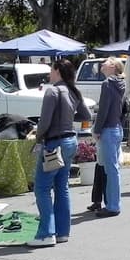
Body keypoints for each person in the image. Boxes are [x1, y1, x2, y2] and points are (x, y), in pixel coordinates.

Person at [29, 59, 91, 245]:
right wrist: (69, 116)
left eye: (51, 69)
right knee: (62, 187)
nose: (49, 73)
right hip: (70, 141)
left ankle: (46, 234)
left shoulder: (53, 91)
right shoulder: (73, 90)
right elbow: (86, 115)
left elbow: (45, 122)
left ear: (57, 70)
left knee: (42, 188)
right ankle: (62, 232)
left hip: (54, 143)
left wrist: (37, 136)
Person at [89, 57, 126, 216]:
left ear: (112, 66)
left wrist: (96, 129)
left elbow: (103, 110)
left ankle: (113, 206)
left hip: (109, 129)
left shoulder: (107, 84)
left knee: (111, 170)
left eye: (106, 62)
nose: (102, 64)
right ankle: (112, 202)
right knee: (113, 169)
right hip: (117, 127)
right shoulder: (120, 83)